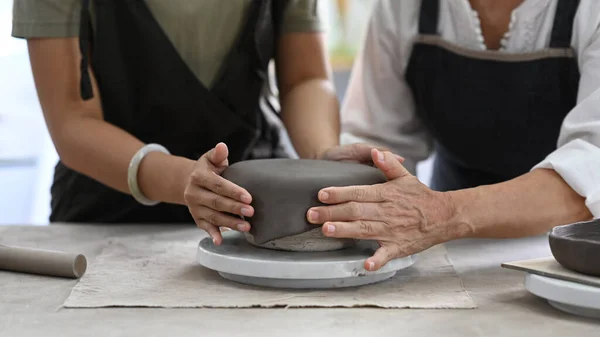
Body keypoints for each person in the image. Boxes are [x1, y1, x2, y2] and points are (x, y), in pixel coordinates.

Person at [12, 0, 381, 244]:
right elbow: (73, 119)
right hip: (107, 211)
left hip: (257, 210)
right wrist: (186, 181)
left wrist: (323, 155)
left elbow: (304, 78)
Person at [306, 0, 600, 271]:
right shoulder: (402, 7)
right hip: (444, 248)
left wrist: (442, 213)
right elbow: (380, 139)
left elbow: (590, 170)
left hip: (573, 253)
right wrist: (353, 173)